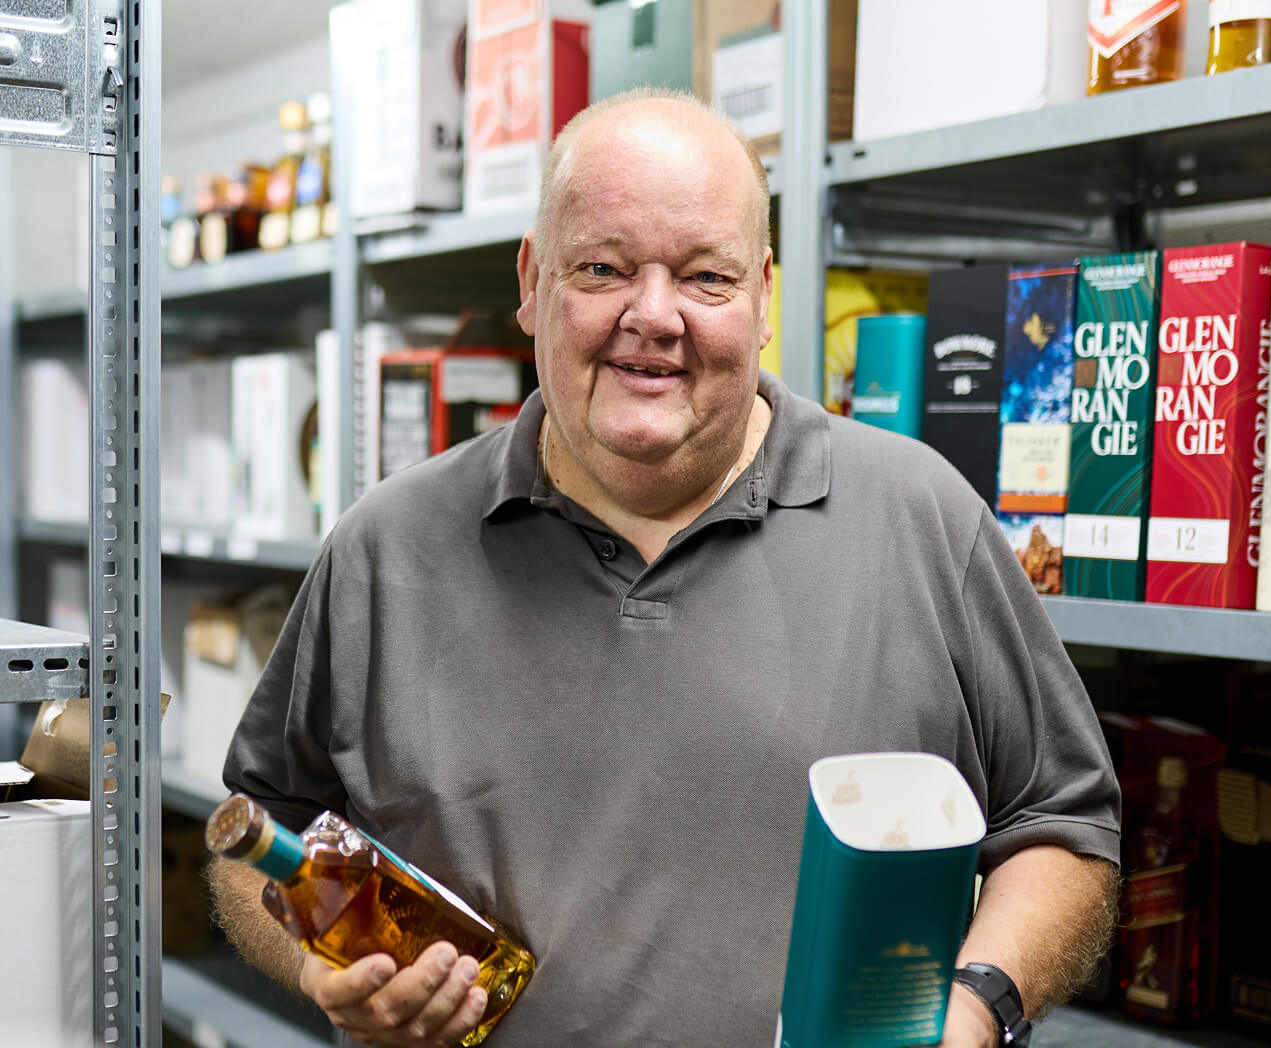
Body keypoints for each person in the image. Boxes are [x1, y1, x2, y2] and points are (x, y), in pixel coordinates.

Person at [209, 87, 1121, 1048]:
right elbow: (254, 836)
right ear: (531, 281)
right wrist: (318, 965)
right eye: (602, 269)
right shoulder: (383, 547)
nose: (653, 317)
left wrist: (974, 1009)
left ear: (764, 295)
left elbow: (1064, 827)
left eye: (705, 279)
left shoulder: (925, 520)